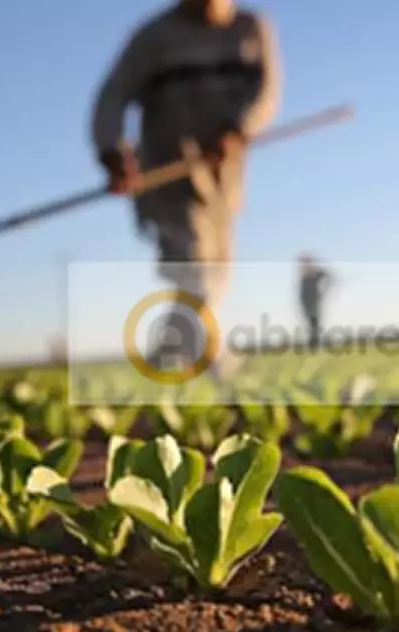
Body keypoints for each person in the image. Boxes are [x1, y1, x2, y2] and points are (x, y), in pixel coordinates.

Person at [90, 0, 282, 377]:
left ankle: (168, 351)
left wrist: (240, 128)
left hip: (223, 175)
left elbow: (267, 90)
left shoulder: (252, 28)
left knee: (218, 264)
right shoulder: (154, 37)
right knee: (192, 259)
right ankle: (214, 364)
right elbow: (112, 96)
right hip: (168, 168)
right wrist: (112, 150)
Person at [298, 254, 332, 350]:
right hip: (307, 305)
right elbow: (302, 294)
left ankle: (315, 346)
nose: (305, 266)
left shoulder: (315, 274)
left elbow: (328, 277)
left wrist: (323, 293)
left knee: (315, 325)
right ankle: (315, 345)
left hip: (314, 304)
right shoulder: (304, 277)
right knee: (313, 325)